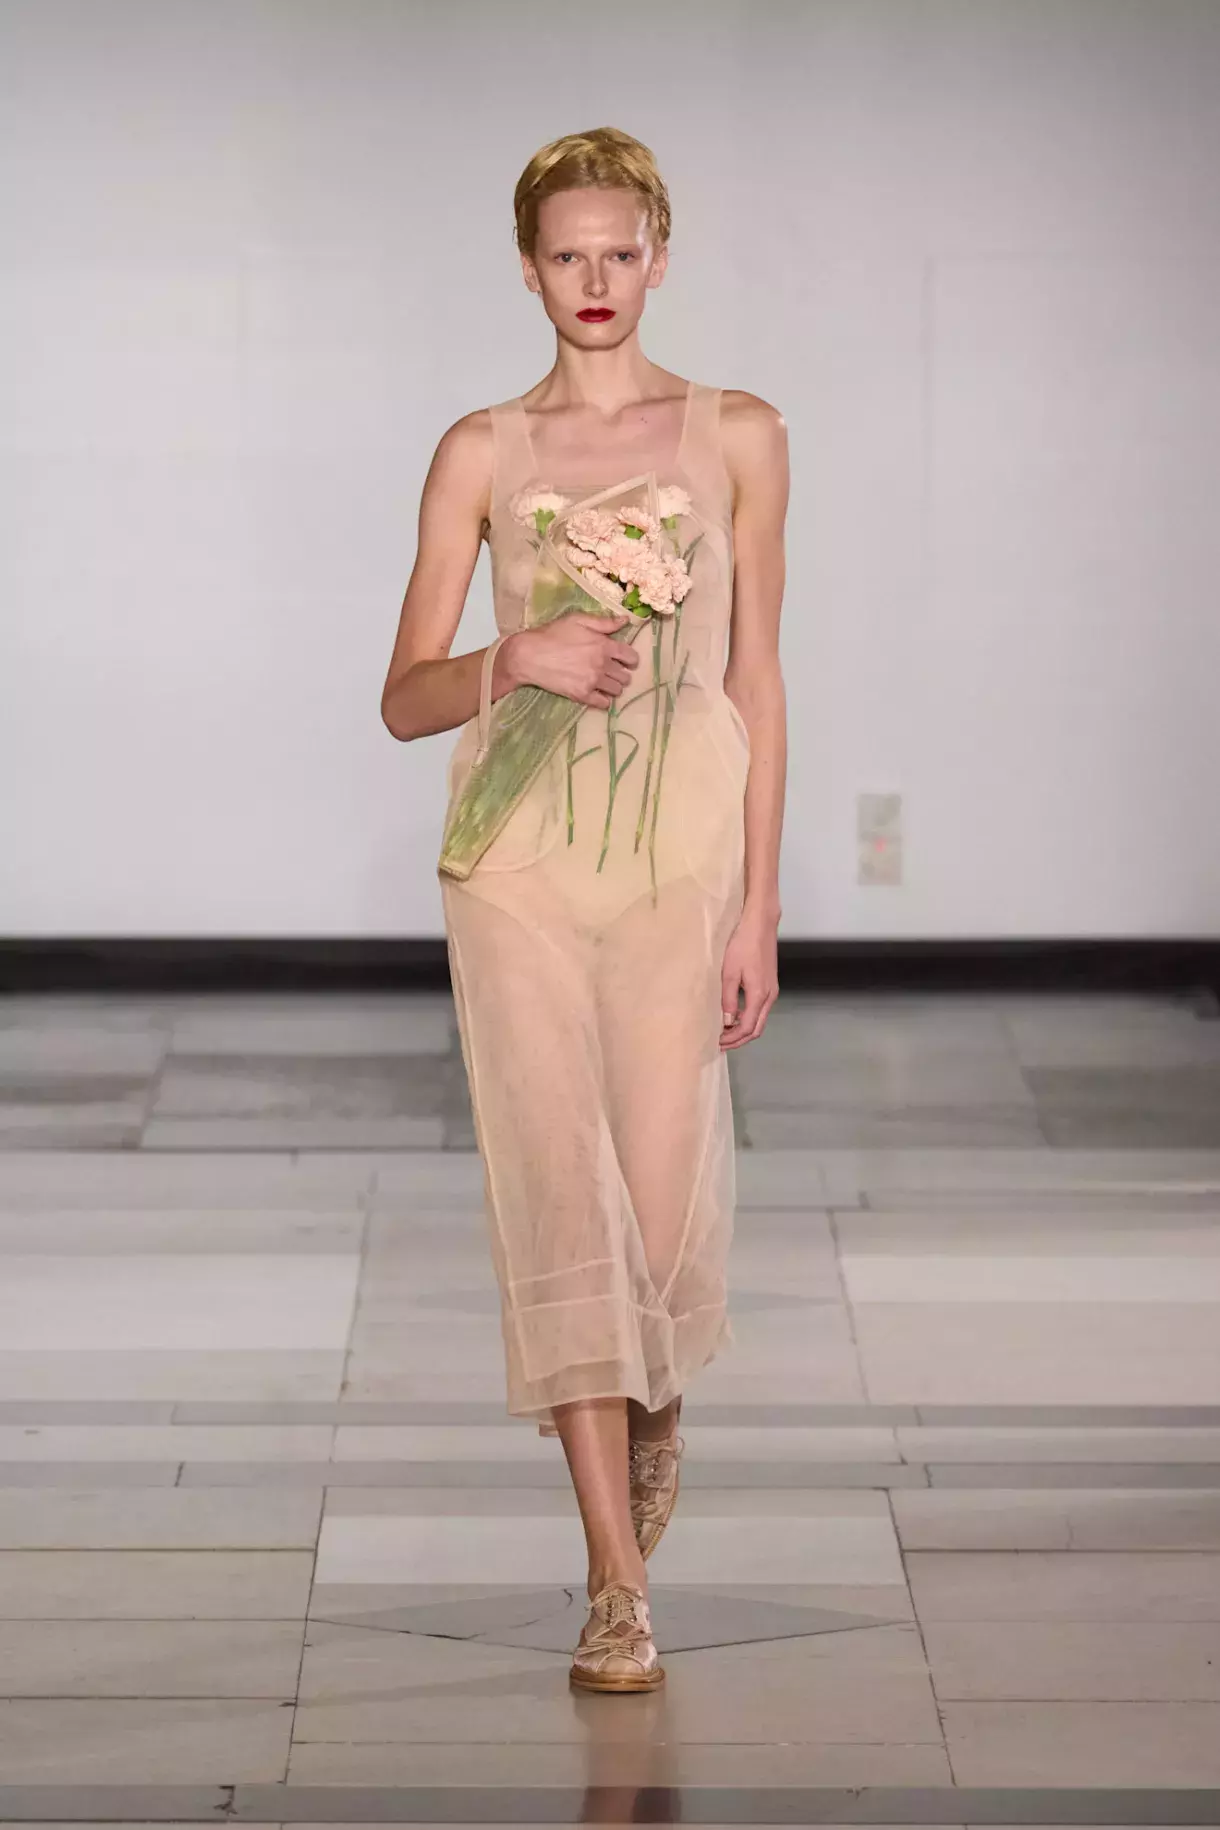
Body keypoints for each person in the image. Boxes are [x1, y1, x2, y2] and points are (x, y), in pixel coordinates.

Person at [381, 126, 788, 1694]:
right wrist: (517, 657)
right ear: (529, 267)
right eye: (569, 255)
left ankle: (653, 1384)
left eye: (622, 252)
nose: (597, 279)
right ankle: (616, 1581)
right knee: (561, 1193)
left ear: (661, 257)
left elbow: (756, 677)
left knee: (664, 1225)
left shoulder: (740, 434)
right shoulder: (480, 453)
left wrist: (759, 903)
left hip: (678, 854)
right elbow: (405, 696)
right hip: (521, 863)